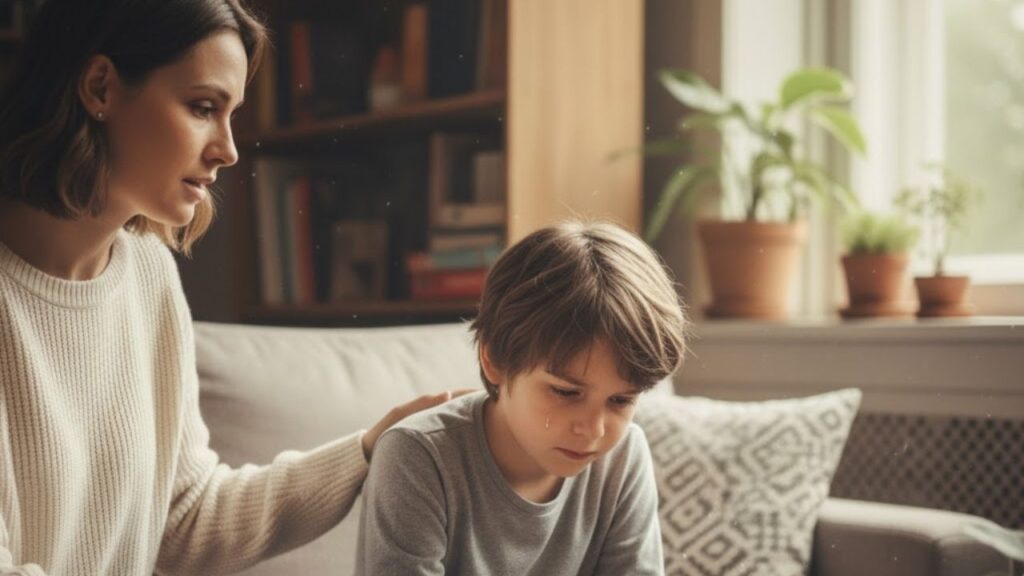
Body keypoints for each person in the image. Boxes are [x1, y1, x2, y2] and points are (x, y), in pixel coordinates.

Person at [0, 1, 464, 574]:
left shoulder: (147, 273)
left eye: (231, 114)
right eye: (202, 108)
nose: (228, 149)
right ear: (100, 88)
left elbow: (187, 518)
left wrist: (371, 450)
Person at [356, 221, 687, 575]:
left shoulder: (623, 458)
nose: (593, 430)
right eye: (565, 392)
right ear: (495, 360)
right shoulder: (418, 458)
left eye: (621, 401)